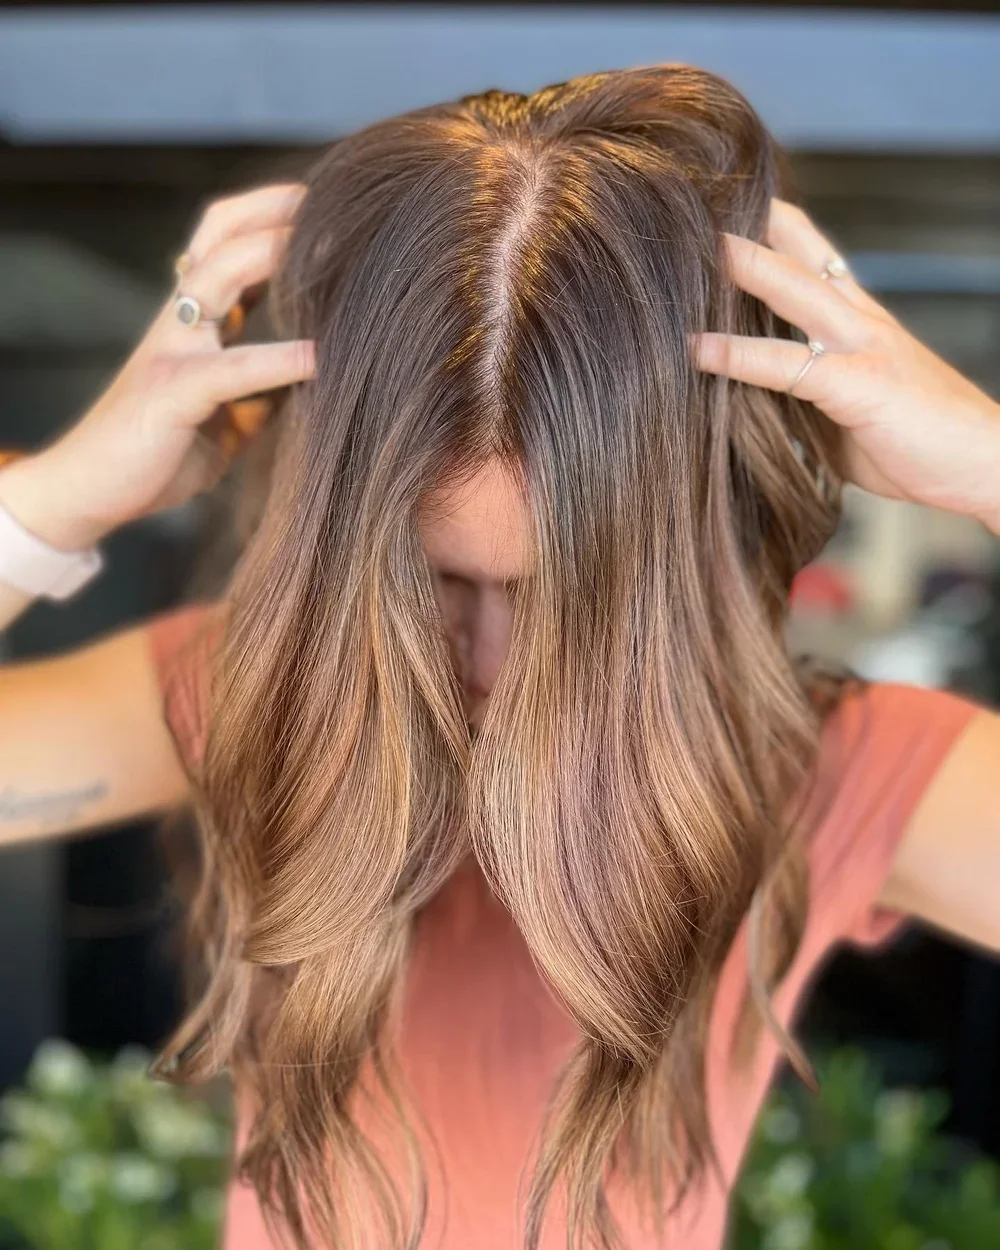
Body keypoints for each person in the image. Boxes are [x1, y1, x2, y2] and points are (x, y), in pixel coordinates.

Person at [0, 64, 997, 1250]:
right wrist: (56, 502)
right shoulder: (249, 694)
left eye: (567, 602)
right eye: (433, 581)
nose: (489, 656)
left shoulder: (832, 768)